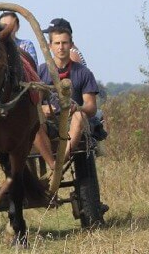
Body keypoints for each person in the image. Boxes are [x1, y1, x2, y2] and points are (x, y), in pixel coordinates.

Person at [33, 18, 101, 169]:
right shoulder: (41, 71)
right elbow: (35, 101)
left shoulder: (84, 73)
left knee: (80, 116)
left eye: (64, 43)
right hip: (50, 122)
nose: (61, 47)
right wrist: (42, 109)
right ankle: (52, 164)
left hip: (73, 122)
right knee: (33, 123)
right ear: (50, 46)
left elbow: (91, 107)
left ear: (71, 45)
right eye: (57, 43)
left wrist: (78, 109)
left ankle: (61, 162)